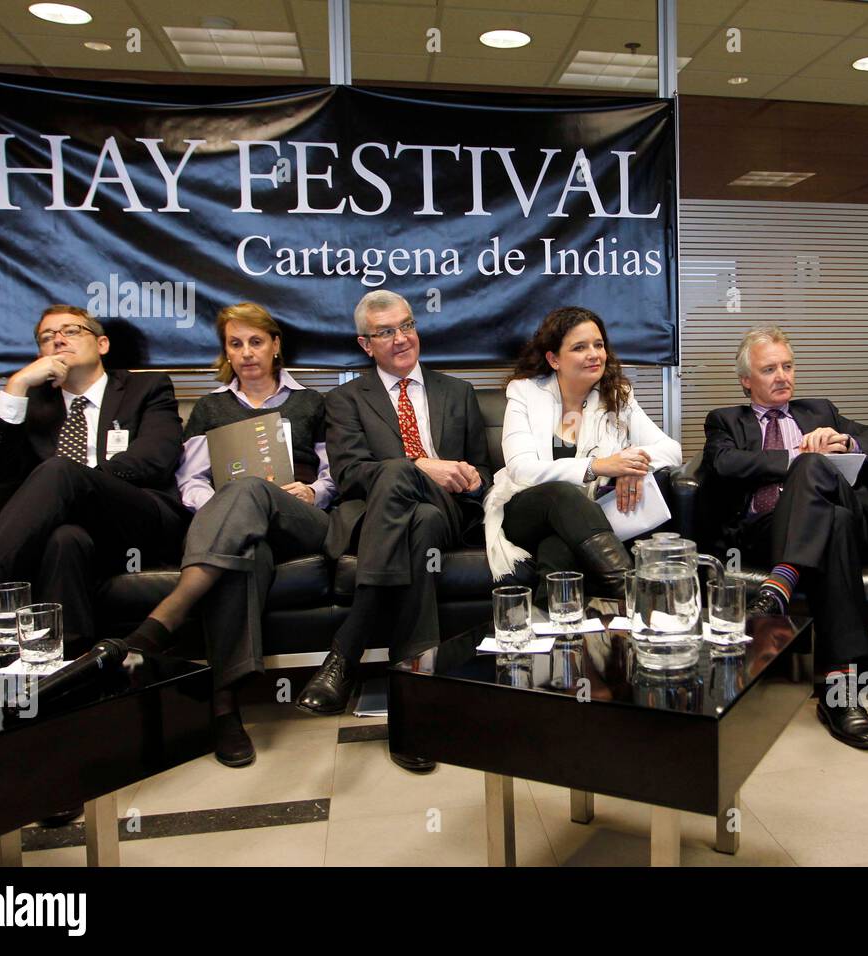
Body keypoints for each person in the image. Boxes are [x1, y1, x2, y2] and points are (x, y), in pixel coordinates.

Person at [122, 303, 336, 768]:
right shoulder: (211, 407)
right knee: (245, 550)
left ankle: (169, 616)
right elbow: (192, 482)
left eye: (256, 342)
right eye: (235, 344)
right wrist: (219, 506)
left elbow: (334, 475)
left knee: (248, 492)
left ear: (275, 345)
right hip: (237, 528)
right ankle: (225, 711)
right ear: (226, 352)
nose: (246, 353)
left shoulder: (311, 403)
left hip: (300, 519)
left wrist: (312, 491)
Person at [296, 290, 492, 774]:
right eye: (386, 332)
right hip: (379, 517)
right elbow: (348, 474)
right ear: (366, 344)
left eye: (407, 325)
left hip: (449, 511)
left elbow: (482, 470)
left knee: (424, 506)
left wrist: (469, 476)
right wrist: (421, 465)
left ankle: (347, 649)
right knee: (410, 504)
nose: (402, 338)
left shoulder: (457, 392)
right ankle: (415, 716)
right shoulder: (344, 399)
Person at [700, 325, 868, 751]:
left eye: (788, 366)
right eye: (769, 369)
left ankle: (781, 583)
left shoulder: (821, 411)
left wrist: (845, 440)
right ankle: (840, 693)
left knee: (823, 480)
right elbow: (723, 464)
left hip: (842, 519)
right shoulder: (726, 421)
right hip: (768, 529)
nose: (782, 376)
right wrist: (799, 456)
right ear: (746, 380)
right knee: (834, 521)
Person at [0, 305, 186, 648]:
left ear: (102, 345)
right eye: (47, 337)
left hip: (140, 518)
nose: (58, 340)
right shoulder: (33, 403)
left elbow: (157, 458)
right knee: (65, 539)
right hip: (70, 529)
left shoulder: (146, 387)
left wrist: (80, 483)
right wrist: (16, 385)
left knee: (59, 472)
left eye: (70, 331)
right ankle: (66, 666)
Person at [483, 306, 682, 595]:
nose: (594, 354)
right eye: (579, 347)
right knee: (561, 492)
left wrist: (633, 466)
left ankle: (553, 622)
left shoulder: (616, 395)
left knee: (558, 547)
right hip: (526, 509)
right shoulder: (524, 392)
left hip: (584, 517)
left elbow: (672, 450)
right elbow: (522, 469)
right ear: (554, 359)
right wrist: (600, 466)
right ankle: (632, 593)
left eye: (598, 345)